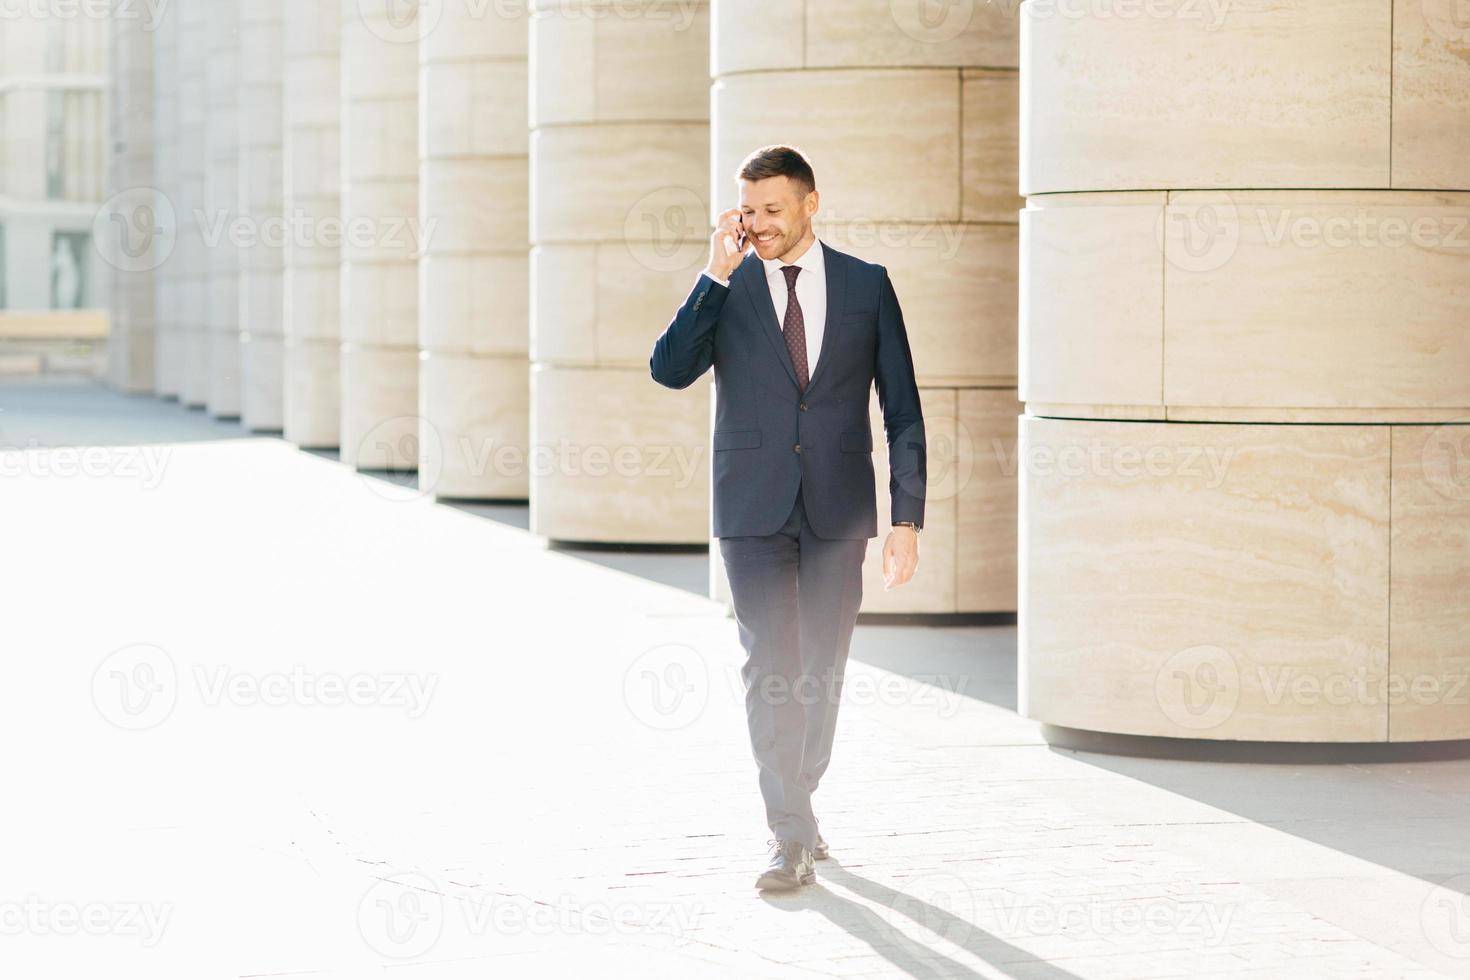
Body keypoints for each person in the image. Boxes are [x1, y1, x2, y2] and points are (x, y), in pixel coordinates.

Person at [649, 145, 927, 891]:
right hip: (752, 508)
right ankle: (789, 836)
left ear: (810, 204)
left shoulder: (868, 286)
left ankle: (799, 797)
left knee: (822, 671)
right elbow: (669, 369)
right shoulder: (728, 288)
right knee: (771, 667)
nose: (758, 224)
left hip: (839, 510)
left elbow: (901, 408)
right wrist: (713, 273)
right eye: (748, 210)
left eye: (773, 210)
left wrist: (907, 518)